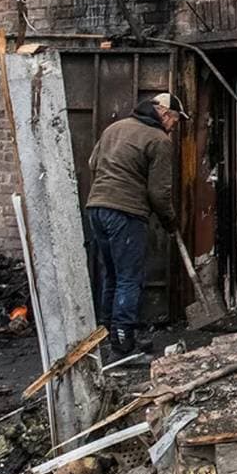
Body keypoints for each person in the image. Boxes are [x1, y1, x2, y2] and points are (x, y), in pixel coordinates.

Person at [84, 93, 184, 360]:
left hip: (96, 207)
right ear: (164, 114)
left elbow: (92, 164)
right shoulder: (159, 141)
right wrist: (170, 222)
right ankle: (123, 343)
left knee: (112, 275)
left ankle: (106, 335)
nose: (175, 126)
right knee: (130, 278)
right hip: (126, 212)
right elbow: (159, 193)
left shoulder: (114, 128)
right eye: (175, 119)